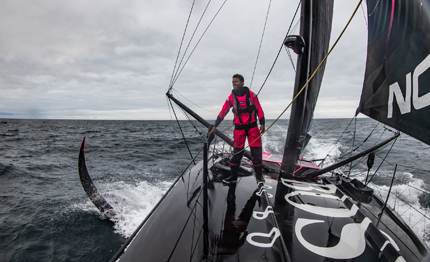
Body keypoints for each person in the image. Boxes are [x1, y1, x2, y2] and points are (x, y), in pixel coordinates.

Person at [208, 74, 265, 184]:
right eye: (233, 81)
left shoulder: (252, 95)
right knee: (237, 153)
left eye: (236, 81)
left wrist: (262, 123)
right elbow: (223, 112)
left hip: (252, 127)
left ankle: (259, 177)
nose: (234, 83)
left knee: (256, 152)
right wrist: (215, 126)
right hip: (239, 129)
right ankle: (233, 176)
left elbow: (259, 109)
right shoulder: (230, 98)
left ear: (242, 82)